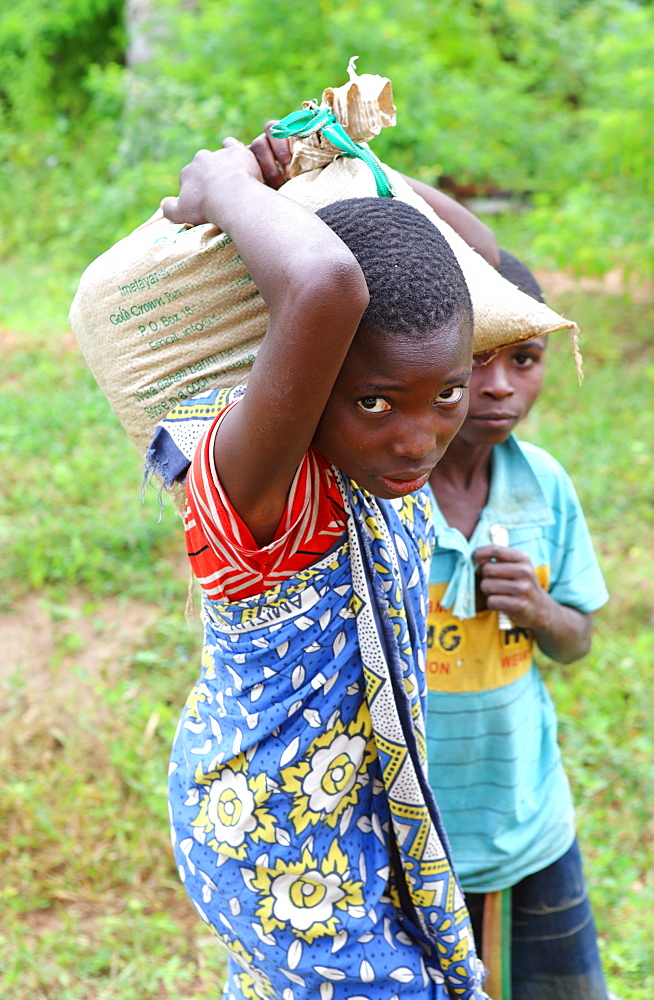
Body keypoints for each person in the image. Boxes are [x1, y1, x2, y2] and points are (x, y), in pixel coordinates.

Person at [147, 134, 492, 1000]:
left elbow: (479, 261)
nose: (418, 437)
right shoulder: (263, 484)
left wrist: (343, 163)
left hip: (355, 825)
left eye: (446, 393)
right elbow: (324, 286)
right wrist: (223, 185)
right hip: (272, 847)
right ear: (301, 368)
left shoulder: (378, 461)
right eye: (374, 401)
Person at [425, 251, 610, 1000]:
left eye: (525, 359)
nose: (499, 387)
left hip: (529, 827)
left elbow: (578, 641)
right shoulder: (385, 493)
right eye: (474, 362)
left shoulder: (545, 485)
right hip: (409, 844)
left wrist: (538, 612)